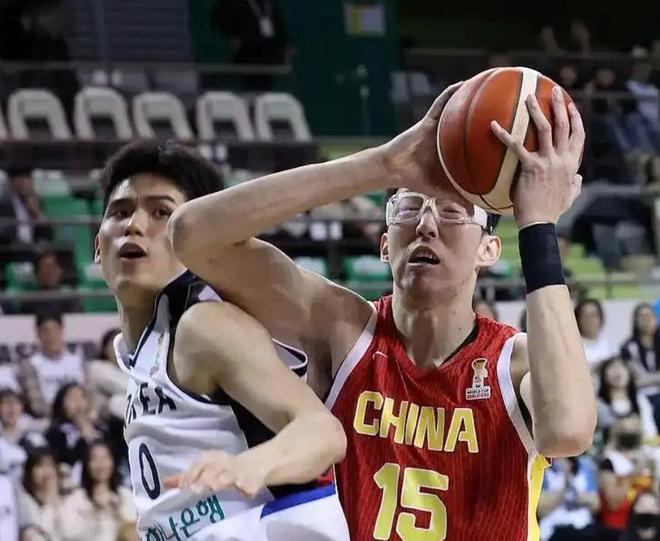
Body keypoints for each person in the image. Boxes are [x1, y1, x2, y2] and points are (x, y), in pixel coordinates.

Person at [169, 82, 596, 539]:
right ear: (385, 244)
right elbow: (192, 236)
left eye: (452, 213)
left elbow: (568, 431)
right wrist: (382, 164)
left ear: (489, 250)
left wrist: (538, 227)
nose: (426, 224)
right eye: (408, 208)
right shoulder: (342, 329)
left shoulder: (514, 362)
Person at [95, 140, 349, 540]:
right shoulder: (140, 350)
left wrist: (253, 465)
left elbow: (324, 432)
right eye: (120, 212)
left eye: (161, 212)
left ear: (193, 242)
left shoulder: (204, 326)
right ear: (98, 246)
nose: (134, 225)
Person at [61, 440, 136, 541]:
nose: (101, 464)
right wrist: (93, 514)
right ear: (87, 464)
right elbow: (69, 534)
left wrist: (117, 512)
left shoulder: (125, 495)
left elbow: (133, 529)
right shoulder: (75, 499)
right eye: (94, 458)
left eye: (105, 457)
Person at [18, 313, 86, 418]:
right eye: (46, 331)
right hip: (47, 418)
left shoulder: (77, 361)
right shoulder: (30, 365)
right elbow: (36, 405)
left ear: (62, 331)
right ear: (38, 333)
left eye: (55, 330)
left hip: (79, 417)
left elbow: (88, 394)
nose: (51, 336)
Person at [597, 357, 657, 443]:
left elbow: (650, 431)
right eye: (612, 368)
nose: (617, 371)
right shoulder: (599, 404)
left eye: (621, 367)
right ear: (604, 376)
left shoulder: (639, 400)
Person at [45, 383, 105, 469]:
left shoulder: (100, 430)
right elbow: (63, 462)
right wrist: (82, 436)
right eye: (72, 398)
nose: (78, 403)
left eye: (81, 397)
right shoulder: (55, 433)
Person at [622, 302, 660, 430]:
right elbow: (637, 381)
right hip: (642, 396)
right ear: (635, 321)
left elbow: (644, 380)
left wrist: (649, 380)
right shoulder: (628, 347)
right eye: (643, 317)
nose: (647, 320)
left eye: (650, 316)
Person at [17, 448, 66, 541]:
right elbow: (43, 534)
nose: (46, 471)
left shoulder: (67, 498)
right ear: (30, 470)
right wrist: (49, 504)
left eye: (50, 465)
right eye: (40, 465)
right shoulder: (24, 502)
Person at [16, 250, 82, 315]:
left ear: (60, 271)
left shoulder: (70, 298)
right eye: (45, 269)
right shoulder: (29, 302)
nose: (49, 274)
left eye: (51, 268)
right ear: (37, 274)